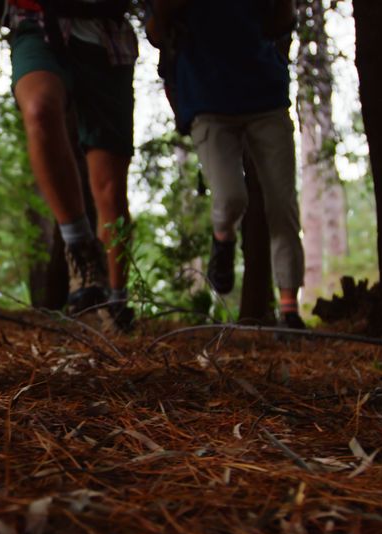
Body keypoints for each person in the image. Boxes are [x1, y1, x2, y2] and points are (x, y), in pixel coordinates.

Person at [148, 0, 307, 329]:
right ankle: (223, 239)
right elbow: (155, 32)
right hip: (207, 101)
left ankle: (290, 312)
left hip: (266, 96)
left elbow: (283, 20)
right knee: (231, 197)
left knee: (282, 204)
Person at [0, 0, 137, 331]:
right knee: (39, 109)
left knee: (111, 189)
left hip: (107, 36)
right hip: (37, 22)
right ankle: (80, 247)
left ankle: (116, 302)